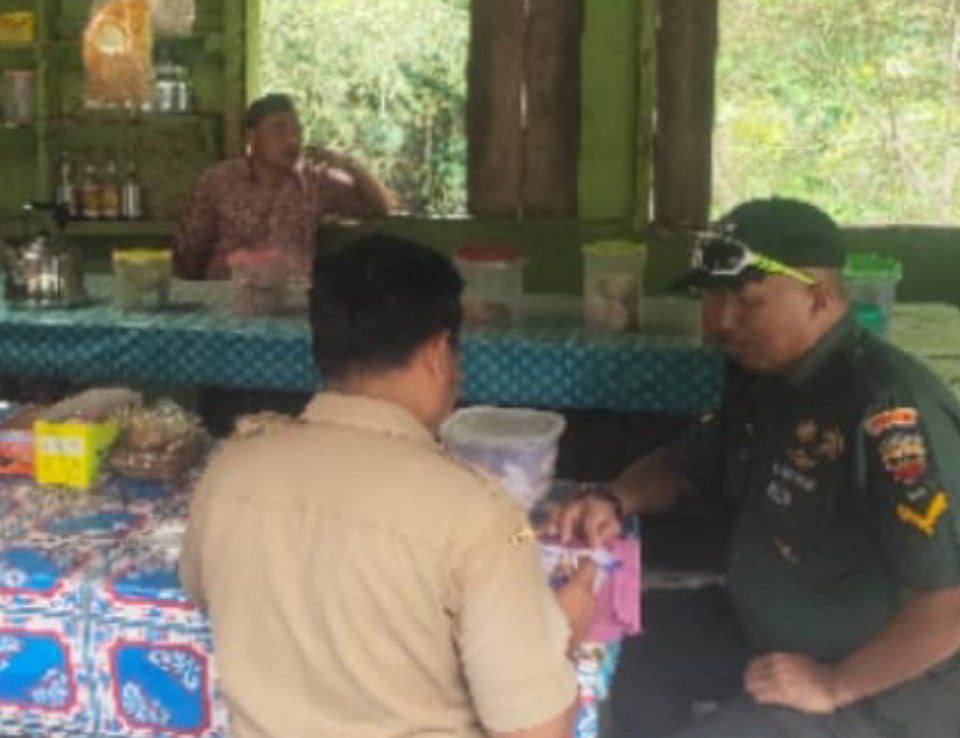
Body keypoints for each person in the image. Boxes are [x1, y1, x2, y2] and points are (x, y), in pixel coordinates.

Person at [547, 198, 960, 737]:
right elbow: (687, 461)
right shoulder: (771, 378)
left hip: (880, 679)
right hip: (764, 627)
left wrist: (833, 685)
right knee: (633, 649)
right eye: (711, 298)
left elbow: (948, 604)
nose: (719, 321)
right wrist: (614, 497)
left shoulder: (887, 409)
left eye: (745, 301)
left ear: (817, 297)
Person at [180, 233, 596, 738]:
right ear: (438, 353)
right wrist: (565, 636)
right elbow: (537, 732)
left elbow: (203, 591)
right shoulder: (481, 515)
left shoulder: (230, 472)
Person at [174, 93, 394, 279]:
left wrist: (348, 164)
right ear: (251, 137)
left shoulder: (316, 182)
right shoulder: (218, 181)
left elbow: (382, 208)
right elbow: (189, 251)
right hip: (226, 300)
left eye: (297, 131)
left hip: (293, 302)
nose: (292, 139)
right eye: (279, 129)